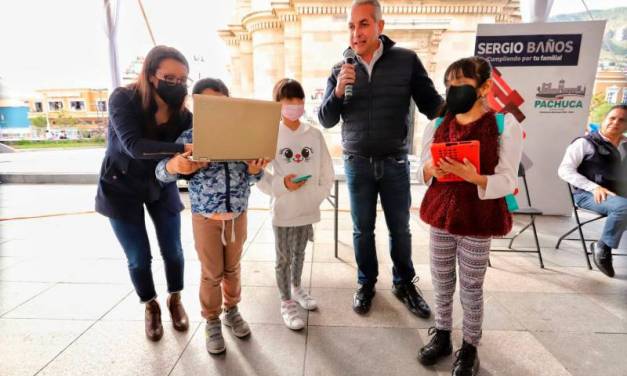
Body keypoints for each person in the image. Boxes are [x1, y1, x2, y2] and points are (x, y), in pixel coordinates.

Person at [317, 0, 443, 317]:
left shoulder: (406, 60)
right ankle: (366, 283)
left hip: (395, 162)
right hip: (357, 162)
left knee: (400, 228)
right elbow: (326, 120)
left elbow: (433, 105)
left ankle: (404, 284)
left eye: (363, 24)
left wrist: (467, 107)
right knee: (362, 229)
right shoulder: (339, 68)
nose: (356, 33)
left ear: (379, 26)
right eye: (351, 26)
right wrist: (337, 91)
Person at [417, 56, 523, 375]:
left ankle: (470, 346)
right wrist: (430, 169)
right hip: (441, 214)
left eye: (461, 85)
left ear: (484, 87)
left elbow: (508, 180)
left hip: (479, 218)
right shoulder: (436, 125)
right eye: (448, 85)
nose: (453, 92)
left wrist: (474, 177)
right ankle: (443, 335)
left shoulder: (504, 125)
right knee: (441, 279)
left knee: (472, 285)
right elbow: (420, 169)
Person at [95, 46, 204, 341]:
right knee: (139, 258)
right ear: (150, 74)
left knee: (174, 250)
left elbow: (199, 146)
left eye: (183, 79)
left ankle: (175, 298)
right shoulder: (123, 98)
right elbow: (134, 146)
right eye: (169, 77)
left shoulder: (183, 116)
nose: (177, 84)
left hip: (160, 183)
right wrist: (181, 149)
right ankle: (151, 305)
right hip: (120, 186)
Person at [156, 78, 268, 355]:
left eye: (221, 102)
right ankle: (212, 320)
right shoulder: (187, 139)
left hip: (237, 215)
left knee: (233, 269)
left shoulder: (245, 136)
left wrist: (256, 170)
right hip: (206, 217)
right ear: (197, 105)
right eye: (208, 104)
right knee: (211, 273)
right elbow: (161, 173)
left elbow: (257, 176)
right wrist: (178, 164)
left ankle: (232, 310)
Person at [257, 79, 335, 330]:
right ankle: (286, 300)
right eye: (288, 100)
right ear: (277, 104)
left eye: (298, 99)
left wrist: (317, 196)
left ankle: (297, 287)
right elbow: (259, 175)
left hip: (307, 208)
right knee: (283, 257)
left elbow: (327, 171)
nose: (294, 105)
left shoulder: (313, 134)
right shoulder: (268, 134)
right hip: (283, 210)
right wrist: (282, 185)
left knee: (300, 252)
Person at [558, 104, 627, 278]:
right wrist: (594, 187)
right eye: (612, 118)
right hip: (587, 194)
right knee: (624, 208)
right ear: (604, 120)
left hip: (620, 195)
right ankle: (603, 247)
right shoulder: (585, 143)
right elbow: (564, 170)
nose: (615, 123)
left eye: (622, 120)